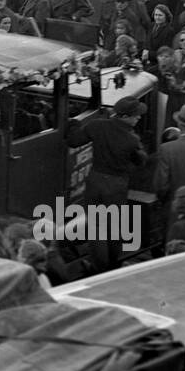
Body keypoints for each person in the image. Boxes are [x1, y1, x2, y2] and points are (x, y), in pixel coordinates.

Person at [64, 96, 147, 273]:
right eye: (135, 115)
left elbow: (73, 140)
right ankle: (112, 265)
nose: (138, 118)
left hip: (95, 181)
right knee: (114, 228)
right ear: (124, 117)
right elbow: (141, 161)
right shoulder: (132, 139)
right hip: (116, 185)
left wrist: (73, 124)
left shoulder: (97, 126)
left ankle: (97, 266)